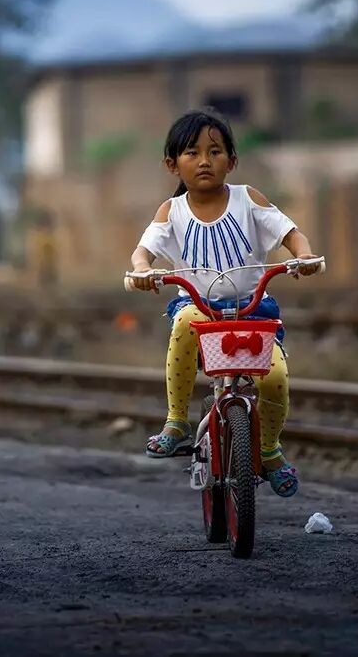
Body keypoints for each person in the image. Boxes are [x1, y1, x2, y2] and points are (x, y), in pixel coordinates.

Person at [127, 108, 322, 498]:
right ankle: (176, 421)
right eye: (191, 152)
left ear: (231, 161)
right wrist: (143, 271)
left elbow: (291, 234)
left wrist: (304, 256)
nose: (204, 161)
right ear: (172, 164)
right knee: (183, 325)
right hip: (199, 307)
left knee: (277, 378)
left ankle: (268, 450)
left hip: (253, 309)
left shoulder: (247, 199)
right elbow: (142, 252)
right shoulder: (173, 211)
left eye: (215, 152)